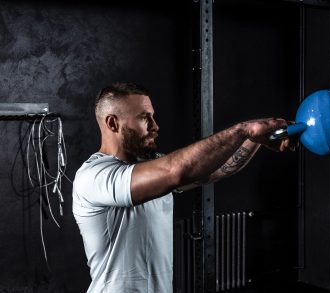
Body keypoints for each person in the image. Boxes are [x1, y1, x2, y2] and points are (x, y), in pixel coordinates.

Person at [72, 82, 296, 293]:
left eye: (153, 117)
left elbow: (220, 169)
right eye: (144, 118)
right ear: (113, 123)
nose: (155, 126)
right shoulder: (94, 176)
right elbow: (174, 171)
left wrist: (257, 139)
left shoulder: (150, 166)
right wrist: (244, 130)